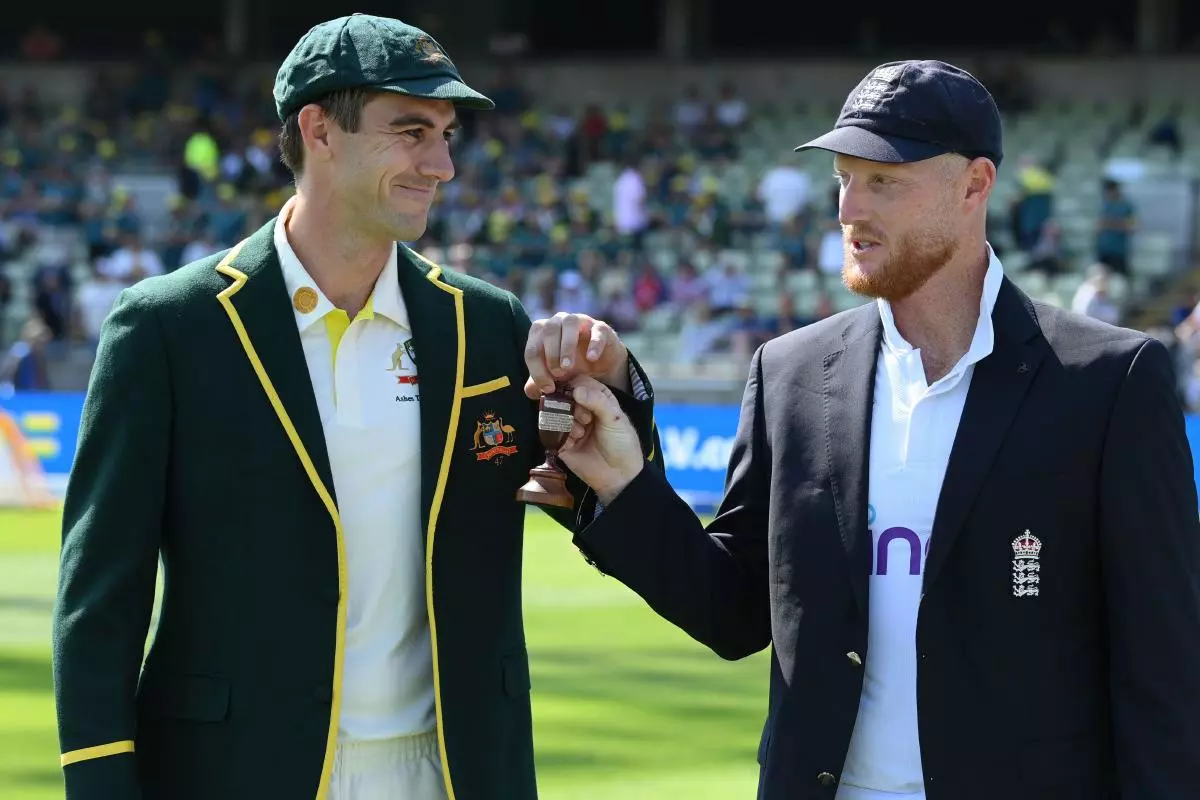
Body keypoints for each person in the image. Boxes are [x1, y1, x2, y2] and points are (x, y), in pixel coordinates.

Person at [51, 15, 661, 800]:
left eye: (446, 136)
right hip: (233, 771)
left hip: (455, 770)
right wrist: (99, 781)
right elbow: (100, 591)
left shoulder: (486, 324)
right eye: (412, 131)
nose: (441, 164)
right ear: (318, 130)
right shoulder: (169, 324)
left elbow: (609, 504)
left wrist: (620, 385)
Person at [556, 60, 1200, 800]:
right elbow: (734, 612)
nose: (849, 208)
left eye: (884, 181)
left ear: (975, 185)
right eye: (843, 178)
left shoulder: (1109, 382)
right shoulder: (790, 372)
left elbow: (1163, 670)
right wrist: (621, 484)